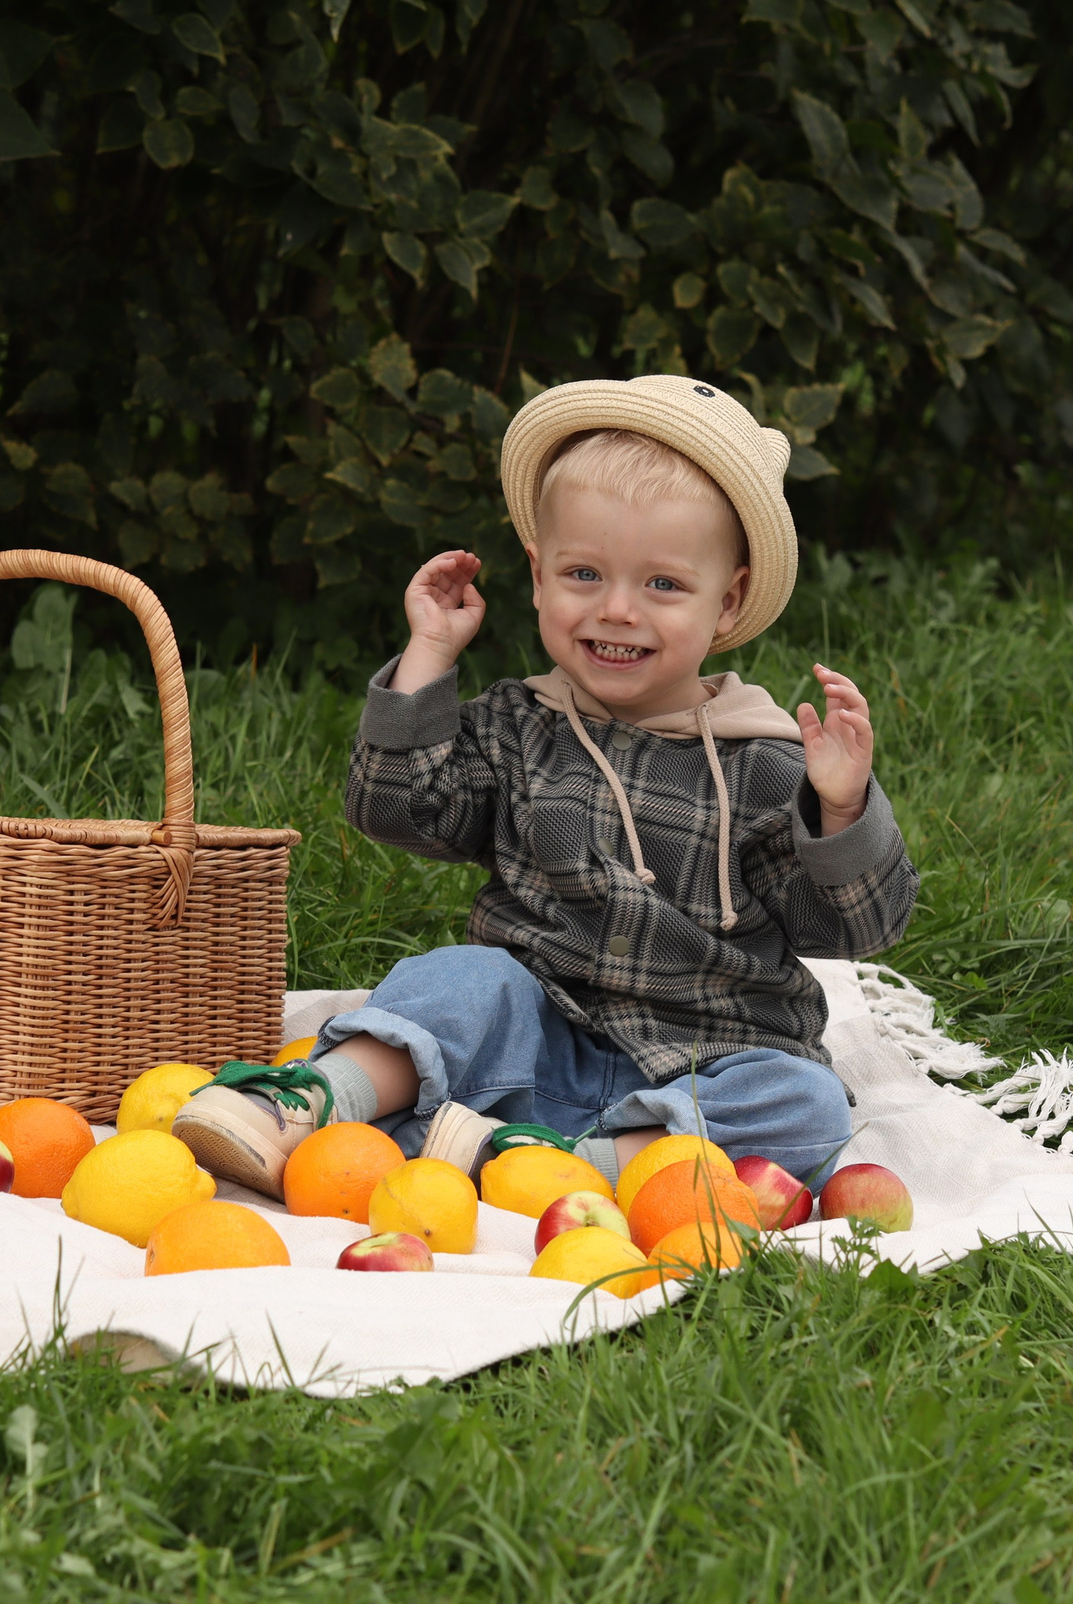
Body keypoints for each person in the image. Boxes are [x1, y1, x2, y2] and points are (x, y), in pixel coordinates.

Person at [173, 375, 917, 1201]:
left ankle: (560, 1164)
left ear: (729, 599)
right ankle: (309, 1102)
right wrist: (428, 657)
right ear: (537, 575)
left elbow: (859, 926)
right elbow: (395, 807)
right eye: (584, 574)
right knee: (457, 978)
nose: (619, 610)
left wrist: (842, 807)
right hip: (533, 1037)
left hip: (703, 1062)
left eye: (663, 584)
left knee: (806, 1104)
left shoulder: (767, 764)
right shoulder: (517, 727)